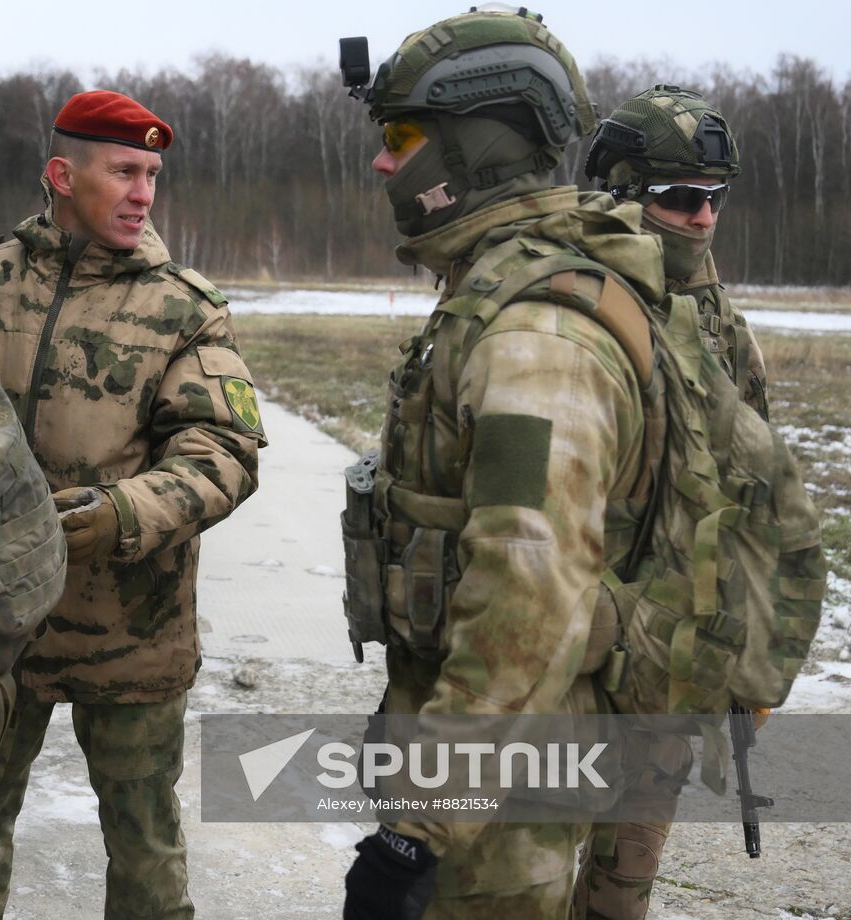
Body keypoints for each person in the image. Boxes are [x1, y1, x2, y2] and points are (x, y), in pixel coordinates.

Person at [336, 9, 669, 919]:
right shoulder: (496, 291)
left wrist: (417, 834)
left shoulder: (537, 337)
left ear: (476, 145)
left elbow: (529, 597)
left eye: (402, 137)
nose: (382, 163)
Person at [0, 89, 266, 920]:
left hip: (130, 628)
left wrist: (123, 513)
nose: (144, 191)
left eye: (152, 173)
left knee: (143, 836)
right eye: (123, 171)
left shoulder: (184, 306)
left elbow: (224, 451)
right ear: (61, 176)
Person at [575, 85, 767, 920]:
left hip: (666, 665)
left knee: (625, 879)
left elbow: (753, 485)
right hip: (562, 648)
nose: (701, 219)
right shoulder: (563, 303)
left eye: (714, 199)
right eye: (679, 199)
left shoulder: (721, 326)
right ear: (622, 196)